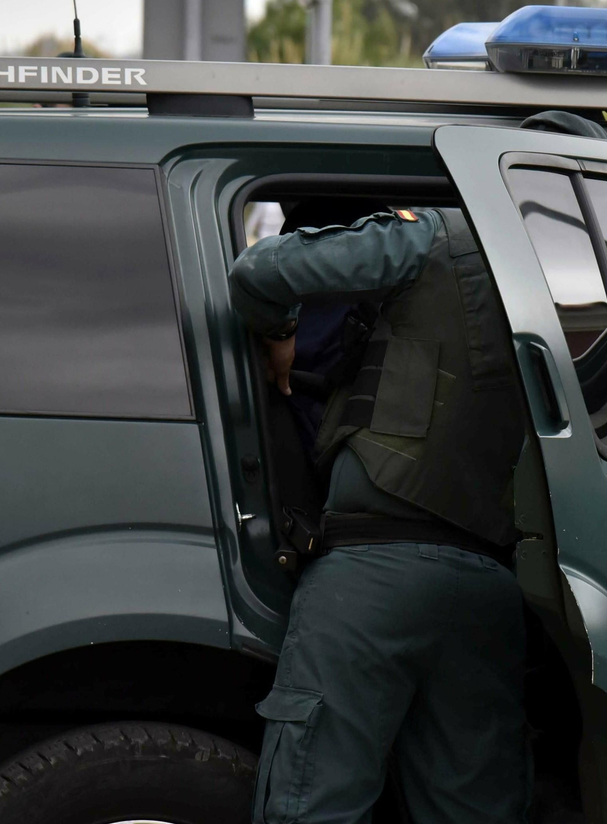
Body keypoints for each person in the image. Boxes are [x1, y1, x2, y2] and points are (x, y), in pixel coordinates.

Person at [229, 202, 530, 824]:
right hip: (492, 588)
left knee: (312, 805)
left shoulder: (438, 235)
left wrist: (280, 334)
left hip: (372, 570)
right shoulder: (589, 275)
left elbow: (261, 270)